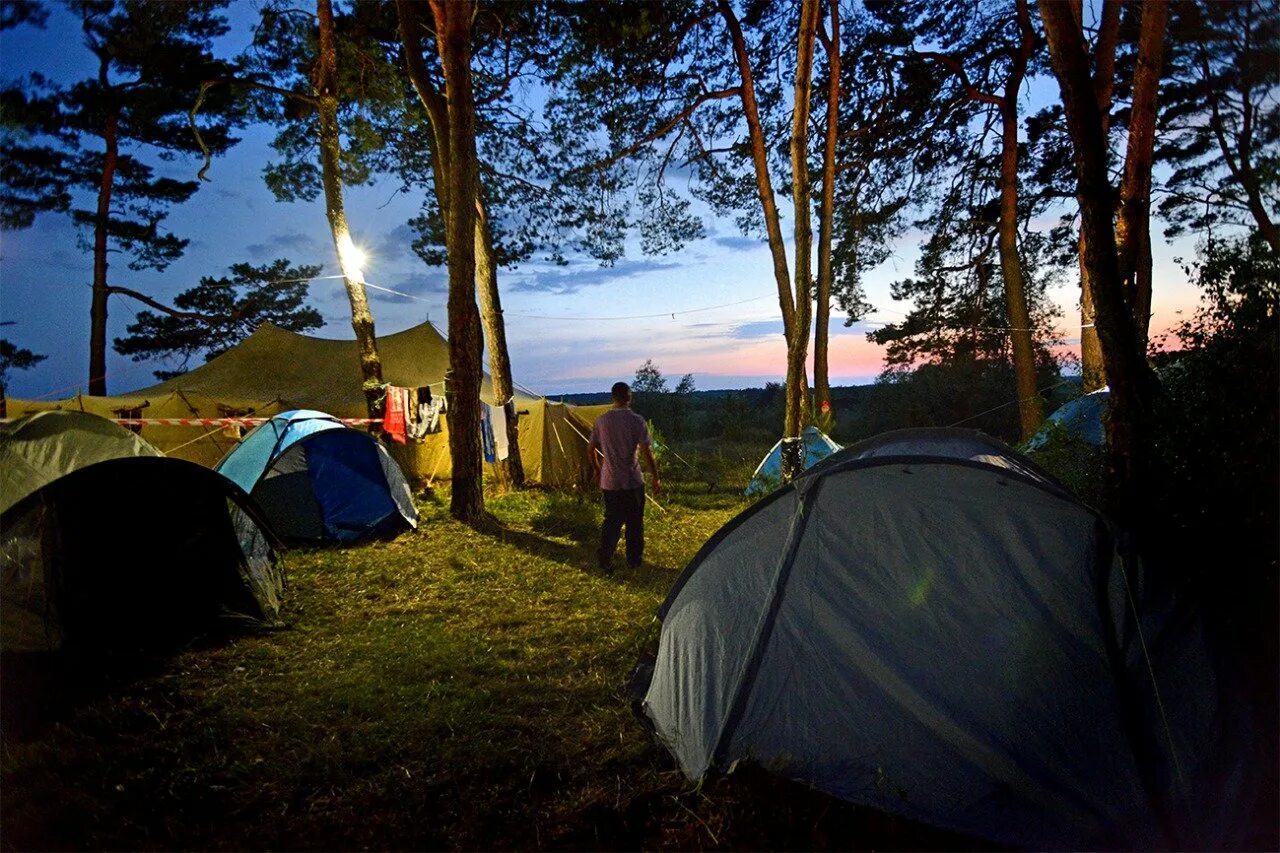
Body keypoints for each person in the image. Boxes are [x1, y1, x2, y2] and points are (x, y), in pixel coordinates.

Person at [588, 381, 660, 573]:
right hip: (632, 480)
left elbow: (591, 449)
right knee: (635, 522)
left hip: (609, 481)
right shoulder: (637, 421)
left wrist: (597, 470)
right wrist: (655, 476)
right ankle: (634, 560)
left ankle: (605, 560)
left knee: (611, 521)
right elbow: (646, 452)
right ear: (629, 397)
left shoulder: (601, 421)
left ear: (613, 398)